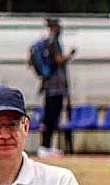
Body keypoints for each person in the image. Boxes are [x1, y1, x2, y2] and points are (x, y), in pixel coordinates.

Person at [30, 18, 76, 158]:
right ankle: (45, 146)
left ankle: (47, 146)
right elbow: (58, 59)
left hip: (49, 87)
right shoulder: (53, 42)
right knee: (52, 116)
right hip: (55, 87)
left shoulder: (47, 43)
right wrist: (70, 55)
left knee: (50, 116)